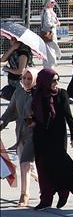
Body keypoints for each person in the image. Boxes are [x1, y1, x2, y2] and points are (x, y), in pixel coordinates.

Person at [30, 68, 73, 209]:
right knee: (42, 168)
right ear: (44, 81)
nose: (56, 83)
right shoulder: (36, 94)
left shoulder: (61, 94)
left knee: (58, 167)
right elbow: (31, 114)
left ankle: (63, 192)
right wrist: (30, 122)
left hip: (57, 137)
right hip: (40, 136)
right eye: (53, 80)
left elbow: (68, 116)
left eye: (57, 80)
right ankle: (46, 199)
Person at [0, 67, 36, 207]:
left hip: (36, 133)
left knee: (25, 163)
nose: (26, 81)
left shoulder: (40, 93)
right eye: (24, 78)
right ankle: (41, 179)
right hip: (21, 133)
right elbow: (10, 111)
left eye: (30, 79)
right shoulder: (18, 92)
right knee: (27, 164)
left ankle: (24, 194)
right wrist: (2, 122)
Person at [1, 35, 32, 101]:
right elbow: (2, 59)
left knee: (19, 103)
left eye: (13, 38)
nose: (10, 40)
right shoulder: (14, 49)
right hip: (12, 81)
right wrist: (12, 48)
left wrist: (8, 69)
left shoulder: (23, 52)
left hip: (21, 83)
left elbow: (20, 71)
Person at [39, 0, 61, 69]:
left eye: (54, 2)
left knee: (49, 52)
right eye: (52, 2)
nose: (53, 4)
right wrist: (56, 24)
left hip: (49, 35)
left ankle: (49, 68)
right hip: (48, 35)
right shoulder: (47, 11)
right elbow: (47, 24)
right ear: (47, 3)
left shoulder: (48, 11)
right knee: (50, 53)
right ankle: (49, 69)